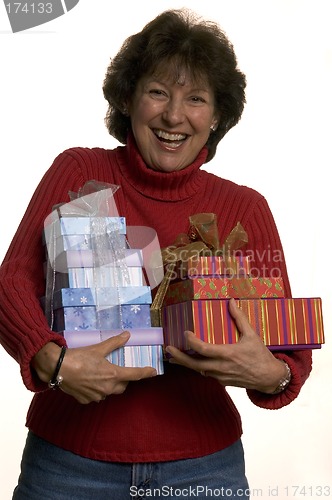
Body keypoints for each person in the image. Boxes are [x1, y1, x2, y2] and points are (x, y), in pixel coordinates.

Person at [0, 8, 312, 500]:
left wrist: (272, 375)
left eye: (196, 99)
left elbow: (288, 350)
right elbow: (12, 280)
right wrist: (50, 361)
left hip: (205, 471)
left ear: (216, 116)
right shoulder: (78, 171)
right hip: (68, 466)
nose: (173, 116)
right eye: (158, 91)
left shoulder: (244, 208)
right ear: (128, 97)